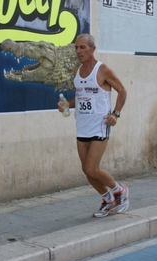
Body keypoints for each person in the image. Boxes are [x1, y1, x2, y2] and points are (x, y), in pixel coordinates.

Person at [58, 34, 129, 218]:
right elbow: (81, 98)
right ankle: (108, 199)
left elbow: (122, 90)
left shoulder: (102, 70)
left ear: (92, 49)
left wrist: (116, 114)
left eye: (82, 47)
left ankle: (119, 190)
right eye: (76, 48)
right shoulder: (77, 72)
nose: (79, 51)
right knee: (86, 170)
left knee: (92, 168)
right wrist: (67, 104)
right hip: (82, 126)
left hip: (100, 125)